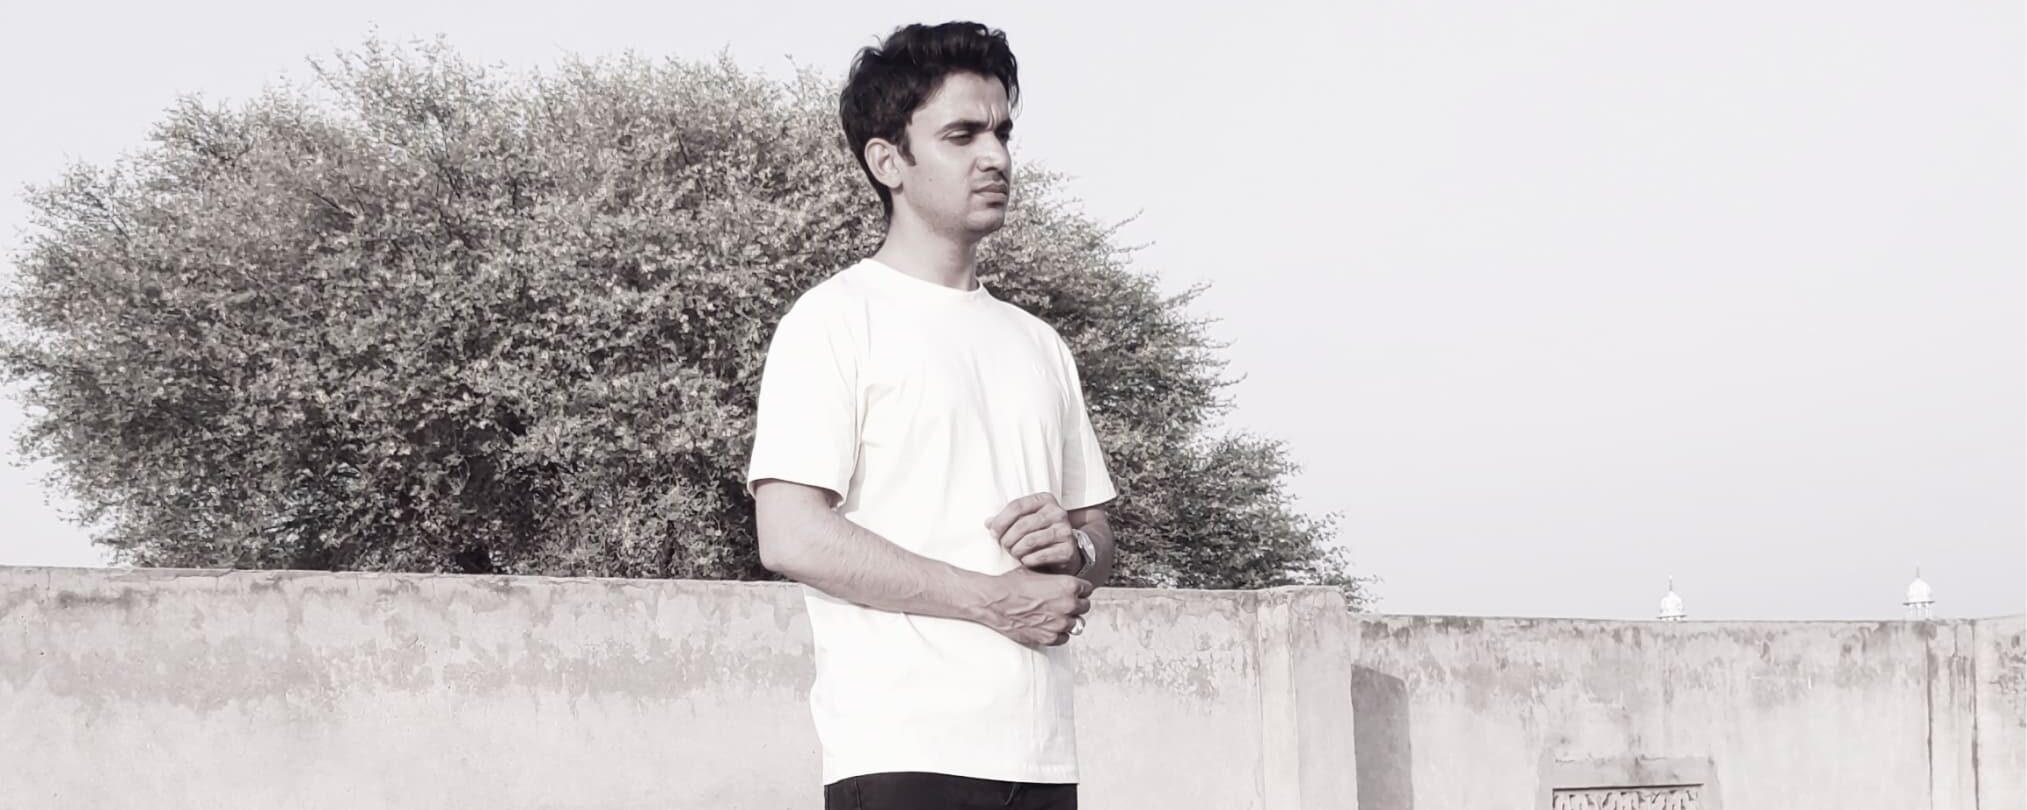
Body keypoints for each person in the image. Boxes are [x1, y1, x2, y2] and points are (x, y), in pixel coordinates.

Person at [746, 21, 1117, 810]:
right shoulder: (834, 320)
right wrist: (990, 599)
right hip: (903, 752)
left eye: (1001, 133)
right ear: (888, 162)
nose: (995, 157)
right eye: (961, 135)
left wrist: (1075, 546)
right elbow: (789, 534)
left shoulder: (1039, 343)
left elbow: (1096, 534)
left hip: (1042, 758)